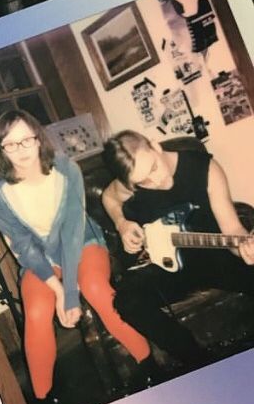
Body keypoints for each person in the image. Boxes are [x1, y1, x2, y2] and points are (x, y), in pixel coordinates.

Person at [0, 110, 150, 404]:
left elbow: (73, 232)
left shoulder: (65, 169)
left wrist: (69, 293)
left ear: (38, 137)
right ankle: (46, 403)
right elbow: (21, 245)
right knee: (35, 312)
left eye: (27, 140)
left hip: (82, 243)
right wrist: (57, 290)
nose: (21, 151)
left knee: (97, 290)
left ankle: (148, 365)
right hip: (39, 259)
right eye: (10, 144)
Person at [102, 130, 254, 370]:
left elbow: (232, 228)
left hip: (213, 256)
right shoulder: (130, 180)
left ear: (155, 145)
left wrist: (246, 248)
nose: (155, 182)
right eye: (143, 182)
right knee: (127, 301)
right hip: (167, 267)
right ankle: (200, 363)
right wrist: (122, 224)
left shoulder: (204, 168)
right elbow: (109, 198)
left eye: (153, 168)